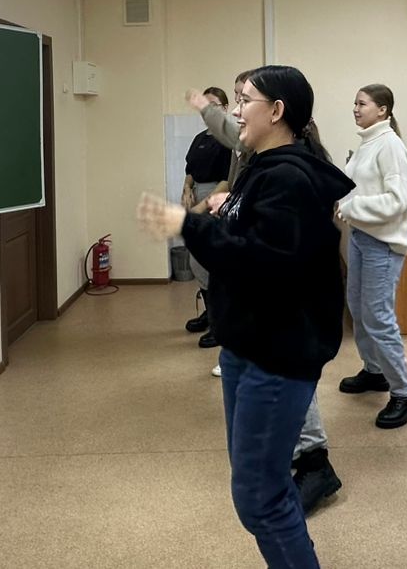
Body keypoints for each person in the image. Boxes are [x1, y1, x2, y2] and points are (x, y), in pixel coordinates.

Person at [138, 66, 353, 569]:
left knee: (260, 499)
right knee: (261, 486)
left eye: (244, 101)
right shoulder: (262, 166)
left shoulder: (290, 177)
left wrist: (188, 224)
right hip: (247, 345)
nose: (235, 112)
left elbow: (261, 260)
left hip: (275, 356)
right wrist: (220, 209)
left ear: (277, 111)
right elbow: (249, 239)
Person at [334, 84, 407, 429]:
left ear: (383, 110)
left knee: (378, 317)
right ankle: (375, 371)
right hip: (361, 236)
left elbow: (399, 200)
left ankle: (404, 394)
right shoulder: (368, 142)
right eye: (354, 103)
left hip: (381, 243)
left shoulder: (390, 145)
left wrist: (354, 206)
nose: (355, 108)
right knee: (358, 308)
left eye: (362, 103)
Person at [185, 70, 254, 348]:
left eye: (244, 97)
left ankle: (221, 325)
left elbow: (230, 180)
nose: (238, 104)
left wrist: (204, 205)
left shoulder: (253, 143)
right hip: (222, 206)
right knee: (201, 263)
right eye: (237, 95)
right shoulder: (212, 138)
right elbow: (191, 168)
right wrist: (187, 190)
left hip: (223, 203)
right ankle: (215, 319)